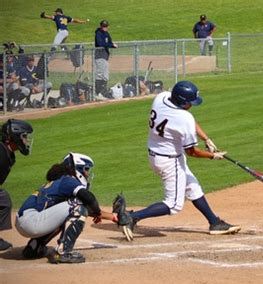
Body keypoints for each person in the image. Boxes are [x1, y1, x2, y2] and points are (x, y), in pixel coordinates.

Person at [115, 80, 240, 241]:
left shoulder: (161, 97)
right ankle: (131, 217)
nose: (192, 105)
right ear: (183, 102)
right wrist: (212, 156)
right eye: (190, 103)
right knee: (173, 205)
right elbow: (192, 152)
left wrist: (206, 139)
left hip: (156, 154)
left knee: (192, 186)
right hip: (170, 162)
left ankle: (214, 222)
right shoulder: (183, 118)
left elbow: (189, 120)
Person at [15, 153, 123, 264]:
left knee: (69, 213)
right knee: (78, 207)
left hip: (25, 221)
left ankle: (34, 247)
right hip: (32, 221)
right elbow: (88, 198)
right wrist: (97, 212)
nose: (87, 173)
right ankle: (63, 252)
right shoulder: (68, 180)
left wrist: (112, 217)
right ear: (77, 168)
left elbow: (81, 207)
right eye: (86, 169)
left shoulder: (59, 182)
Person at [0, 119, 34, 251]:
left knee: (3, 200)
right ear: (14, 136)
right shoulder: (1, 153)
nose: (26, 140)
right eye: (24, 136)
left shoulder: (8, 153)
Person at [94, 20, 117, 100]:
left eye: (106, 26)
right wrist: (110, 45)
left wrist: (112, 45)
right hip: (99, 56)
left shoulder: (107, 33)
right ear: (100, 26)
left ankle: (103, 92)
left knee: (105, 75)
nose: (105, 28)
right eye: (103, 26)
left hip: (105, 56)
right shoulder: (98, 33)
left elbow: (110, 42)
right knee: (100, 74)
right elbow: (100, 44)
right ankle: (97, 93)